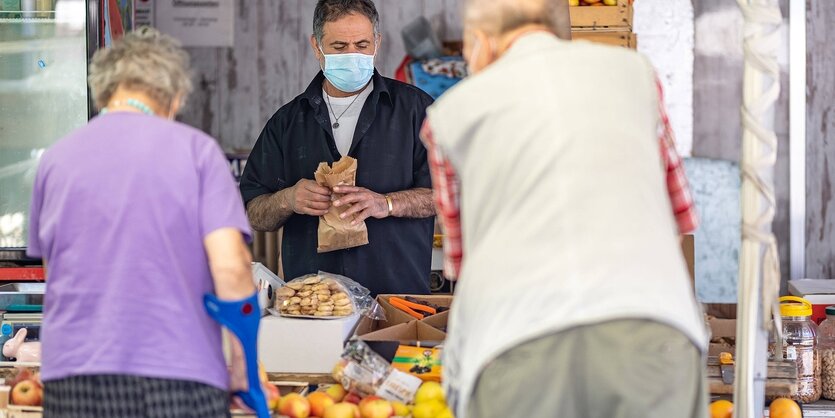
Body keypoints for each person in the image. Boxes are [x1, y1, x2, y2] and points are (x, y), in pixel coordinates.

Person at [421, 0, 708, 417]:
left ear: (480, 41)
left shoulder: (448, 117)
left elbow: (465, 263)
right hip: (653, 332)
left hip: (516, 342)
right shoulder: (635, 76)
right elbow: (680, 218)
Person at [27, 28, 255, 418]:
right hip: (178, 371)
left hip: (73, 375)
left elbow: (54, 271)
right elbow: (231, 268)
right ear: (175, 95)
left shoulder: (55, 159)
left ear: (103, 90)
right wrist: (243, 365)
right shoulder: (196, 152)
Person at [240, 0, 436, 296]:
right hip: (312, 304)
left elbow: (447, 195)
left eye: (361, 44)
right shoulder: (287, 122)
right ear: (316, 46)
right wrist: (288, 199)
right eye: (339, 47)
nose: (352, 55)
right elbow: (252, 211)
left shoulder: (416, 111)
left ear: (377, 43)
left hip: (397, 300)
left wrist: (387, 204)